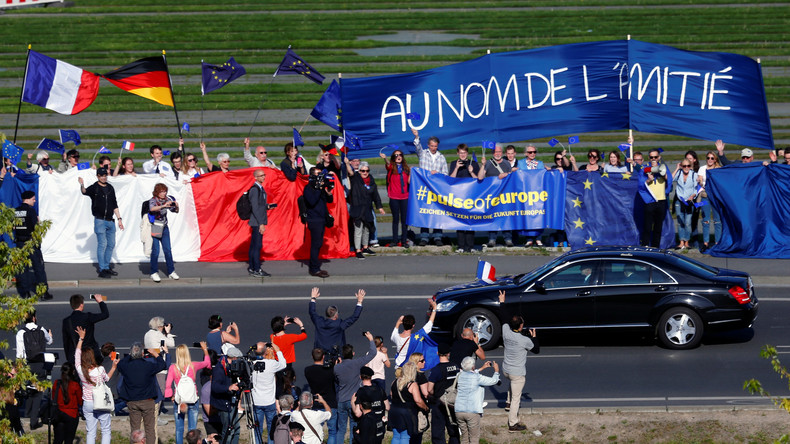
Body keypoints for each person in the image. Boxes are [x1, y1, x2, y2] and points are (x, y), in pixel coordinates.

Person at [497, 290, 539, 432]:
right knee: (517, 397)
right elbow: (536, 349)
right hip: (517, 373)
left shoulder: (506, 331)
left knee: (512, 384)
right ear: (521, 326)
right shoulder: (524, 340)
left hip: (506, 370)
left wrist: (502, 302)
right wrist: (534, 337)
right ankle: (513, 423)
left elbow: (503, 317)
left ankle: (507, 403)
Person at [75, 326, 119, 444]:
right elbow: (107, 378)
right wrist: (114, 367)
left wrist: (81, 339)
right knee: (105, 430)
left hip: (87, 403)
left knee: (90, 432)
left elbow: (77, 355)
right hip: (100, 402)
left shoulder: (81, 371)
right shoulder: (100, 370)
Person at [118, 341, 169, 444]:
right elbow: (163, 365)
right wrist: (156, 354)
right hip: (147, 400)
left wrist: (130, 355)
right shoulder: (148, 365)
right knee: (150, 429)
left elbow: (121, 363)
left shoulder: (126, 366)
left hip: (132, 401)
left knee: (135, 430)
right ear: (142, 353)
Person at [79, 167, 124, 278]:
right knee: (102, 244)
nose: (104, 177)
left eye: (105, 175)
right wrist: (82, 184)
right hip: (100, 220)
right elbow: (84, 192)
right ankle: (102, 269)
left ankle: (107, 266)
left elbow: (114, 204)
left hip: (110, 221)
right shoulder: (95, 187)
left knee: (111, 244)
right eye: (101, 176)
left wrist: (119, 219)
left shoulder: (110, 188)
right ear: (98, 176)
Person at [334, 333, 377, 444]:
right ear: (353, 354)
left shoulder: (337, 368)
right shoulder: (357, 363)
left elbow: (335, 380)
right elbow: (373, 353)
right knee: (354, 426)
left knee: (341, 429)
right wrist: (371, 339)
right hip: (353, 400)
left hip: (341, 400)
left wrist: (337, 364)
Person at [165, 342, 210, 444]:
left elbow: (167, 385)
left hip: (179, 401)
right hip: (192, 399)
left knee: (179, 429)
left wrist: (171, 396)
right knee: (192, 429)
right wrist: (205, 350)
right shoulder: (193, 365)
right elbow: (207, 363)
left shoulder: (173, 368)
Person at [16, 310, 53, 429]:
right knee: (38, 393)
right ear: (34, 318)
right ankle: (33, 421)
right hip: (41, 364)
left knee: (30, 390)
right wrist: (50, 335)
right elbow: (50, 341)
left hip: (28, 365)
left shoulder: (21, 332)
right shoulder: (42, 330)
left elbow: (19, 353)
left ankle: (27, 415)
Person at [14, 190, 53, 300]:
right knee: (38, 268)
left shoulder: (15, 211)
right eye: (33, 199)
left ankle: (25, 293)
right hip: (31, 243)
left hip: (20, 243)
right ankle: (43, 293)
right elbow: (35, 228)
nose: (35, 201)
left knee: (23, 269)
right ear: (28, 199)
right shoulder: (31, 211)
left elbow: (13, 227)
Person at [412, 128, 447, 246]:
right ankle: (424, 237)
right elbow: (417, 147)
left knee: (437, 212)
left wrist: (437, 174)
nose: (433, 148)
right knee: (425, 212)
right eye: (432, 146)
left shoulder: (441, 157)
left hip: (437, 190)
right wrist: (417, 136)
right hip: (424, 189)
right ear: (428, 145)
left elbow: (445, 174)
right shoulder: (423, 154)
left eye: (435, 146)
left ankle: (437, 236)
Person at [344, 159, 385, 259]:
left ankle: (365, 247)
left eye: (367, 171)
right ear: (359, 171)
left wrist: (379, 207)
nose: (365, 173)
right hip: (357, 208)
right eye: (363, 171)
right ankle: (358, 250)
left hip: (367, 208)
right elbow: (350, 172)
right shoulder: (356, 178)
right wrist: (346, 163)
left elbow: (375, 195)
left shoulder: (371, 180)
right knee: (358, 230)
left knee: (367, 229)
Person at [454, 357, 499, 444]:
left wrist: (482, 368)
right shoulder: (477, 378)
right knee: (474, 438)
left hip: (459, 410)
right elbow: (494, 381)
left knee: (464, 437)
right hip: (472, 411)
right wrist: (496, 371)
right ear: (473, 366)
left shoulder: (459, 375)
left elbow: (469, 373)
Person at [479, 144, 515, 248]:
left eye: (499, 152)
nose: (497, 154)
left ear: (502, 153)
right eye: (495, 152)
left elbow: (511, 177)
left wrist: (505, 175)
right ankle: (492, 239)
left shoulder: (506, 163)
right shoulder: (489, 163)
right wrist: (482, 165)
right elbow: (480, 177)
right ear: (493, 153)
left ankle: (508, 239)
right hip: (492, 195)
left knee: (505, 216)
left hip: (504, 195)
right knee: (492, 217)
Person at [308, 287, 364, 352]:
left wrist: (313, 298)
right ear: (336, 316)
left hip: (320, 355)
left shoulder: (319, 322)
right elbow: (354, 317)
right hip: (336, 356)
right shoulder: (339, 324)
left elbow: (312, 312)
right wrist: (359, 301)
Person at [251, 341, 286, 444]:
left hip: (256, 402)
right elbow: (283, 363)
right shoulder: (271, 364)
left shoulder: (251, 364)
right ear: (265, 352)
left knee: (257, 429)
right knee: (271, 428)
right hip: (269, 402)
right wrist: (277, 349)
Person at [448, 144, 481, 253]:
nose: (462, 155)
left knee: (470, 221)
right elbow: (450, 180)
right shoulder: (454, 163)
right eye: (460, 153)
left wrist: (471, 171)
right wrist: (457, 168)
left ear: (467, 153)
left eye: (464, 153)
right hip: (458, 197)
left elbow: (479, 181)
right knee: (460, 220)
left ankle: (470, 246)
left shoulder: (474, 164)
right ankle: (461, 246)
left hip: (471, 197)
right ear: (458, 153)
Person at [303, 348, 339, 444]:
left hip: (316, 404)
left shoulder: (308, 370)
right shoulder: (330, 371)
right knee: (332, 432)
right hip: (331, 403)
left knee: (316, 430)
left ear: (312, 357)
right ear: (323, 357)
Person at [427, 343, 460, 444]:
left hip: (439, 403)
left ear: (437, 353)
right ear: (448, 354)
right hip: (453, 402)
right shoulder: (455, 367)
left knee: (438, 432)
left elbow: (429, 389)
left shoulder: (436, 369)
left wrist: (433, 394)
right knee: (453, 430)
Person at [303, 167, 334, 277]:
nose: (320, 176)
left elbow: (329, 201)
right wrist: (317, 189)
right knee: (316, 245)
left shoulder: (320, 188)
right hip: (314, 220)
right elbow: (311, 202)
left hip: (321, 219)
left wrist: (328, 192)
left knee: (319, 244)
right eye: (318, 174)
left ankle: (316, 266)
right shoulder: (308, 188)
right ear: (312, 176)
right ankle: (314, 269)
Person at [63, 294, 110, 365]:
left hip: (77, 355)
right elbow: (105, 314)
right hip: (91, 354)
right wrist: (100, 301)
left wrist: (70, 358)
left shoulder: (66, 321)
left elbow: (66, 341)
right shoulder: (87, 317)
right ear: (81, 305)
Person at [389, 361, 429, 444]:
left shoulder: (394, 382)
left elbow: (391, 396)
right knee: (405, 436)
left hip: (394, 411)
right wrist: (425, 407)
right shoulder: (412, 384)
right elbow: (418, 400)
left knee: (396, 435)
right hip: (406, 413)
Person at [211, 346, 244, 444]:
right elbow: (215, 387)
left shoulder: (229, 366)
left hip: (231, 401)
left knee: (236, 429)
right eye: (238, 359)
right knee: (229, 431)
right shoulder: (219, 369)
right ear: (233, 358)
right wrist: (228, 388)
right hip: (224, 404)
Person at [147, 183, 180, 281]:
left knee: (168, 250)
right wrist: (163, 206)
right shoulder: (153, 200)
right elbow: (152, 208)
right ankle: (154, 272)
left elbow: (175, 211)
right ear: (157, 192)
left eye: (165, 191)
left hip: (165, 227)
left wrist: (176, 206)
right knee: (156, 251)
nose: (163, 193)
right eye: (161, 191)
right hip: (156, 226)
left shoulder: (167, 199)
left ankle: (171, 271)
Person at [391, 300, 438, 366]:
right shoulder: (417, 336)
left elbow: (393, 334)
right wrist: (434, 308)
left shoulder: (396, 337)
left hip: (399, 367)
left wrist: (398, 323)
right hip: (410, 367)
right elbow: (430, 323)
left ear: (403, 324)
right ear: (413, 325)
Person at [380, 149, 411, 247]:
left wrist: (412, 172)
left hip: (405, 197)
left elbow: (409, 182)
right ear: (393, 157)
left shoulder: (406, 168)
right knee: (395, 219)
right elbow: (388, 164)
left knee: (404, 219)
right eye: (396, 155)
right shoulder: (391, 167)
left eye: (400, 155)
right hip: (394, 197)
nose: (398, 156)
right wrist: (385, 158)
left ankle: (404, 240)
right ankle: (394, 240)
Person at [641, 148, 669, 248]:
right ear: (648, 158)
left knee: (658, 226)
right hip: (650, 200)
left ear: (659, 157)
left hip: (661, 200)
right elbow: (640, 184)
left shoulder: (663, 167)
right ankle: (645, 245)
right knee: (647, 226)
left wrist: (662, 172)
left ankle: (655, 247)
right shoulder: (645, 169)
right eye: (651, 157)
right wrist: (648, 180)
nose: (653, 159)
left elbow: (669, 180)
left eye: (655, 157)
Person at [248, 168, 272, 277]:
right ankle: (256, 269)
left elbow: (259, 205)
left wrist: (267, 206)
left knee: (254, 245)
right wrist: (261, 223)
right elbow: (254, 207)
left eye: (264, 175)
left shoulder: (260, 188)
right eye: (261, 175)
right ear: (255, 177)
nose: (263, 177)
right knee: (257, 246)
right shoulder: (255, 189)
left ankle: (253, 267)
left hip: (258, 220)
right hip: (257, 221)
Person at [52, 361, 83, 444]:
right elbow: (81, 401)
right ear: (72, 372)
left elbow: (53, 398)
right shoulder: (75, 385)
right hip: (72, 415)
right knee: (69, 440)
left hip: (58, 413)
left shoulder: (56, 383)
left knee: (57, 440)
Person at [673, 159, 698, 250]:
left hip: (689, 201)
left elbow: (697, 188)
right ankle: (681, 242)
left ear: (690, 166)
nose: (686, 168)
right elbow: (671, 179)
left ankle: (686, 241)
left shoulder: (694, 175)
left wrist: (693, 195)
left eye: (688, 166)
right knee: (680, 222)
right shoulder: (679, 173)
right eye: (684, 166)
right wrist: (676, 168)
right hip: (679, 200)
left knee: (687, 222)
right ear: (681, 166)